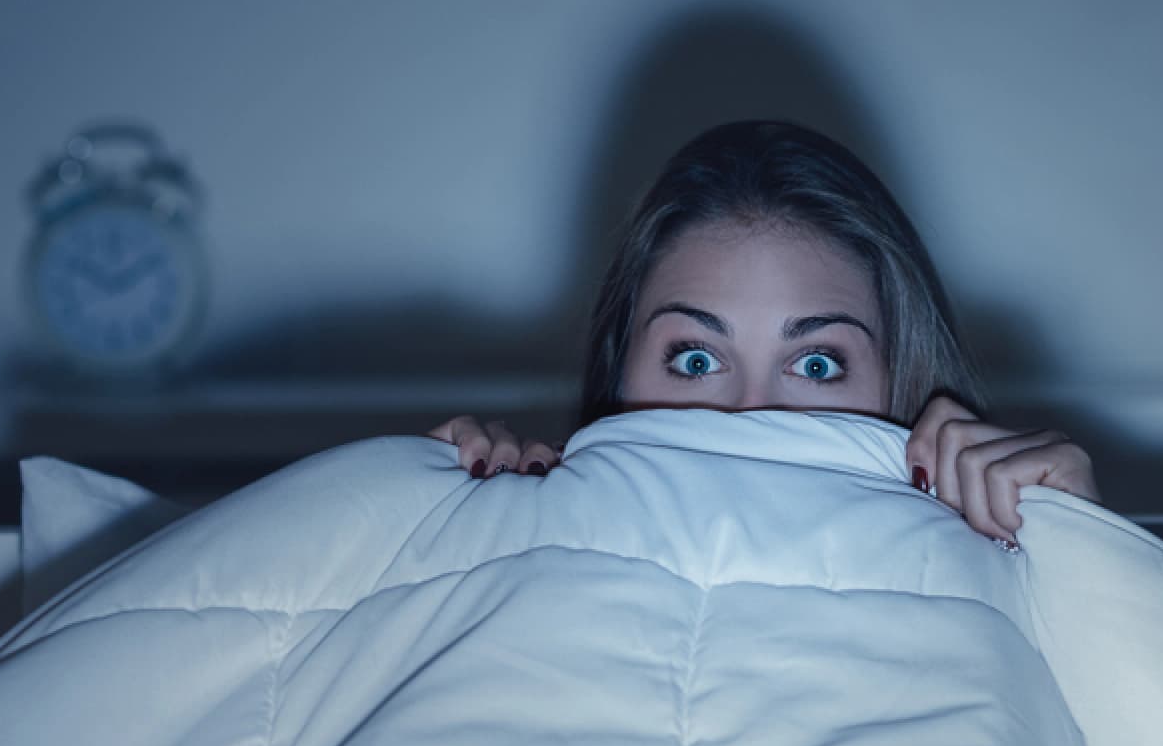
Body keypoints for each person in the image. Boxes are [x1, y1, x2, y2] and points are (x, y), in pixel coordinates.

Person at [427, 120, 1101, 546]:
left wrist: (1084, 551)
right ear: (617, 377)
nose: (750, 415)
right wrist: (413, 526)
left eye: (814, 365)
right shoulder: (509, 541)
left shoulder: (1020, 578)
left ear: (905, 387)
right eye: (695, 360)